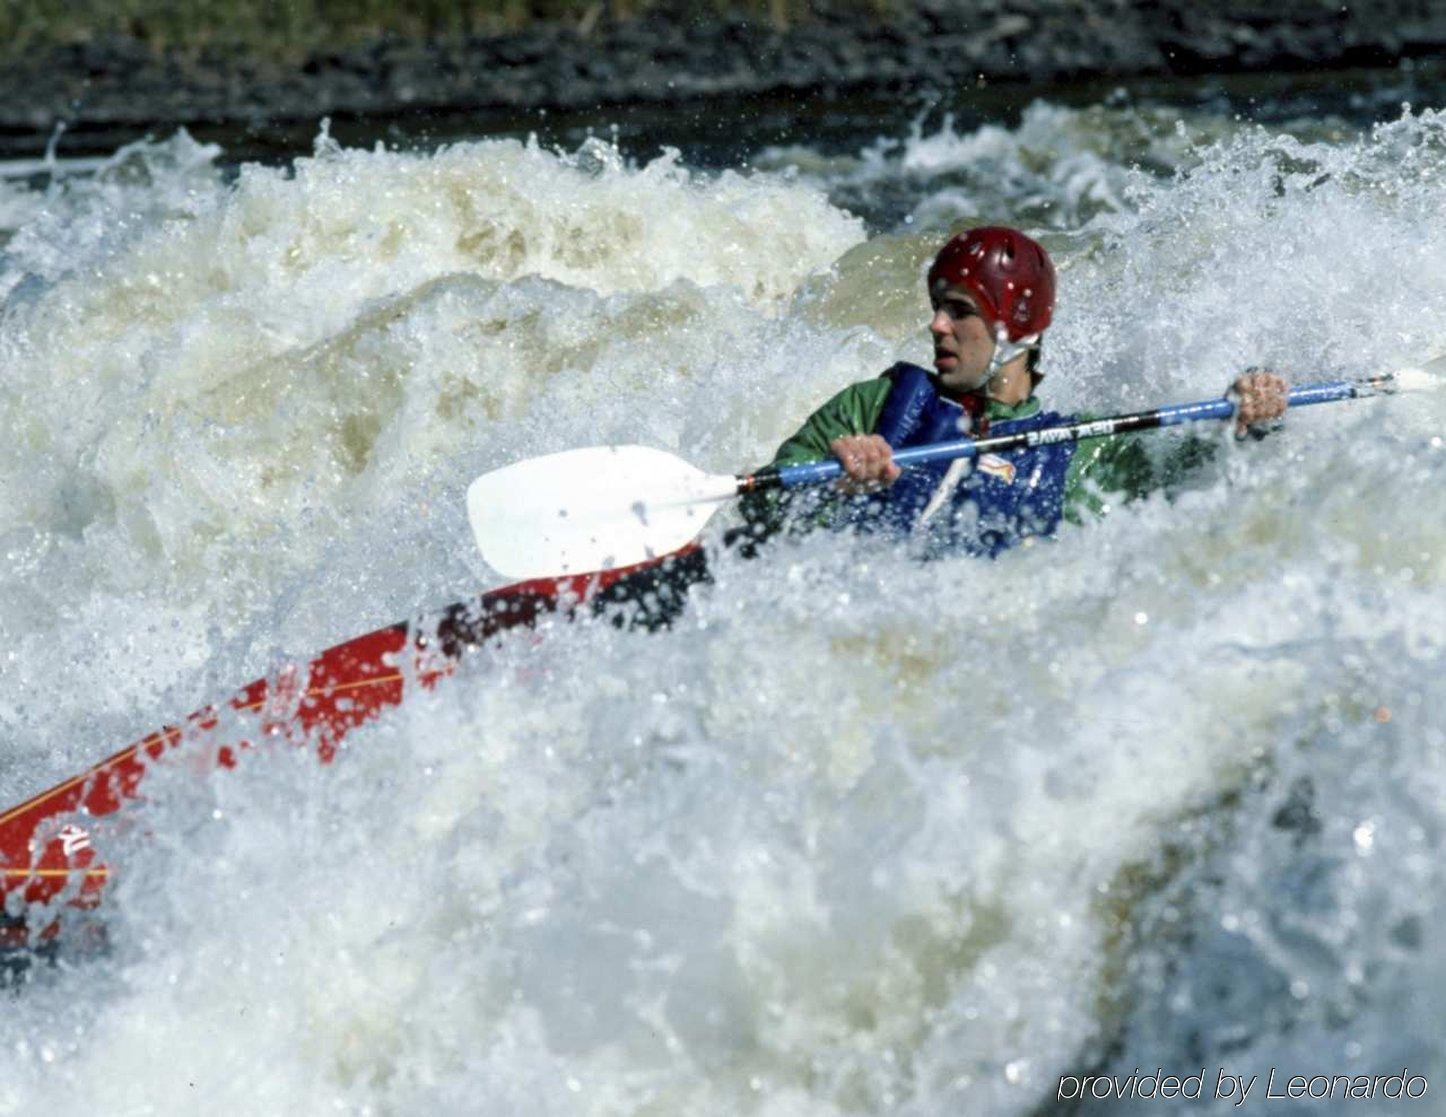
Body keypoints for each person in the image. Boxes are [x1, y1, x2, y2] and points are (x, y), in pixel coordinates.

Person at [738, 225, 1288, 557]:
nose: (936, 326)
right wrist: (833, 485)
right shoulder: (872, 406)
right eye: (937, 309)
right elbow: (757, 515)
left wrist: (1251, 417)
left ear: (1016, 330)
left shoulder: (1082, 448)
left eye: (960, 312)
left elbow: (1200, 472)